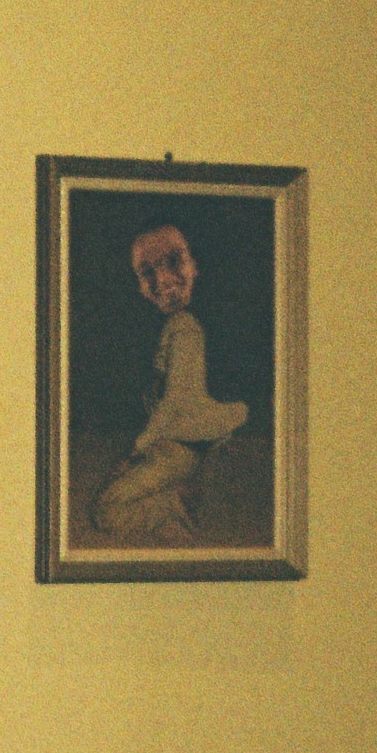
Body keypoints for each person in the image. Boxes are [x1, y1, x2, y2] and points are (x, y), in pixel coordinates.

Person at [91, 221, 247, 541]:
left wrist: (134, 452)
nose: (163, 280)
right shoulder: (173, 327)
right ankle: (168, 505)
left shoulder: (185, 329)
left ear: (194, 265)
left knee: (106, 509)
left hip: (178, 452)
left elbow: (175, 403)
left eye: (173, 262)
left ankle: (168, 508)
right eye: (148, 272)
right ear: (138, 285)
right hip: (167, 449)